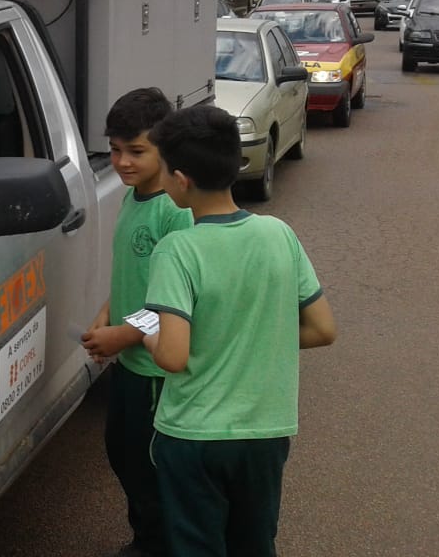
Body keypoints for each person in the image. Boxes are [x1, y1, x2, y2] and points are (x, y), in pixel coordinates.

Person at [141, 104, 337, 556]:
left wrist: (149, 334)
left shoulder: (177, 250)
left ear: (181, 180)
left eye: (164, 170)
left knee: (196, 544)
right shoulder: (279, 234)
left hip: (194, 434)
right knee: (254, 543)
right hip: (265, 433)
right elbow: (323, 329)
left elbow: (173, 356)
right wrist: (252, 335)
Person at [81, 87, 193, 557]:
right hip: (129, 360)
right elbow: (135, 275)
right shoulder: (133, 198)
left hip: (153, 368)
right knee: (122, 451)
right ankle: (147, 537)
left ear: (164, 149)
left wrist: (122, 335)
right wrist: (107, 313)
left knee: (148, 463)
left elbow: (178, 300)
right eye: (114, 150)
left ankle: (160, 544)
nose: (122, 162)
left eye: (136, 151)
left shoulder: (175, 212)